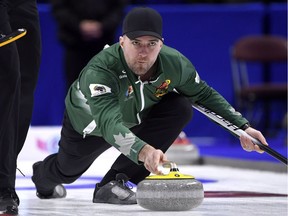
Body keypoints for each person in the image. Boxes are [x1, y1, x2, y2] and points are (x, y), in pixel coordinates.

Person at [31, 7, 267, 205]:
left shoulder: (175, 63)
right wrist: (144, 152)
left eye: (151, 43)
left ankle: (115, 182)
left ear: (161, 44)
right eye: (136, 43)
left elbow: (203, 95)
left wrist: (242, 128)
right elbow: (109, 123)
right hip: (92, 124)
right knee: (67, 171)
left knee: (180, 106)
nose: (144, 53)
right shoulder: (101, 71)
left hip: (136, 115)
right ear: (122, 42)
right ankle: (41, 175)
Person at [0, 0, 41, 214]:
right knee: (6, 82)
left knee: (25, 87)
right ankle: (3, 188)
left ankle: (5, 167)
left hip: (25, 4)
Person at [50, 0, 129, 91]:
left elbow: (118, 8)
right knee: (75, 91)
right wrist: (78, 26)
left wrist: (103, 26)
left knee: (105, 92)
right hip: (74, 45)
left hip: (104, 45)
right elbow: (59, 8)